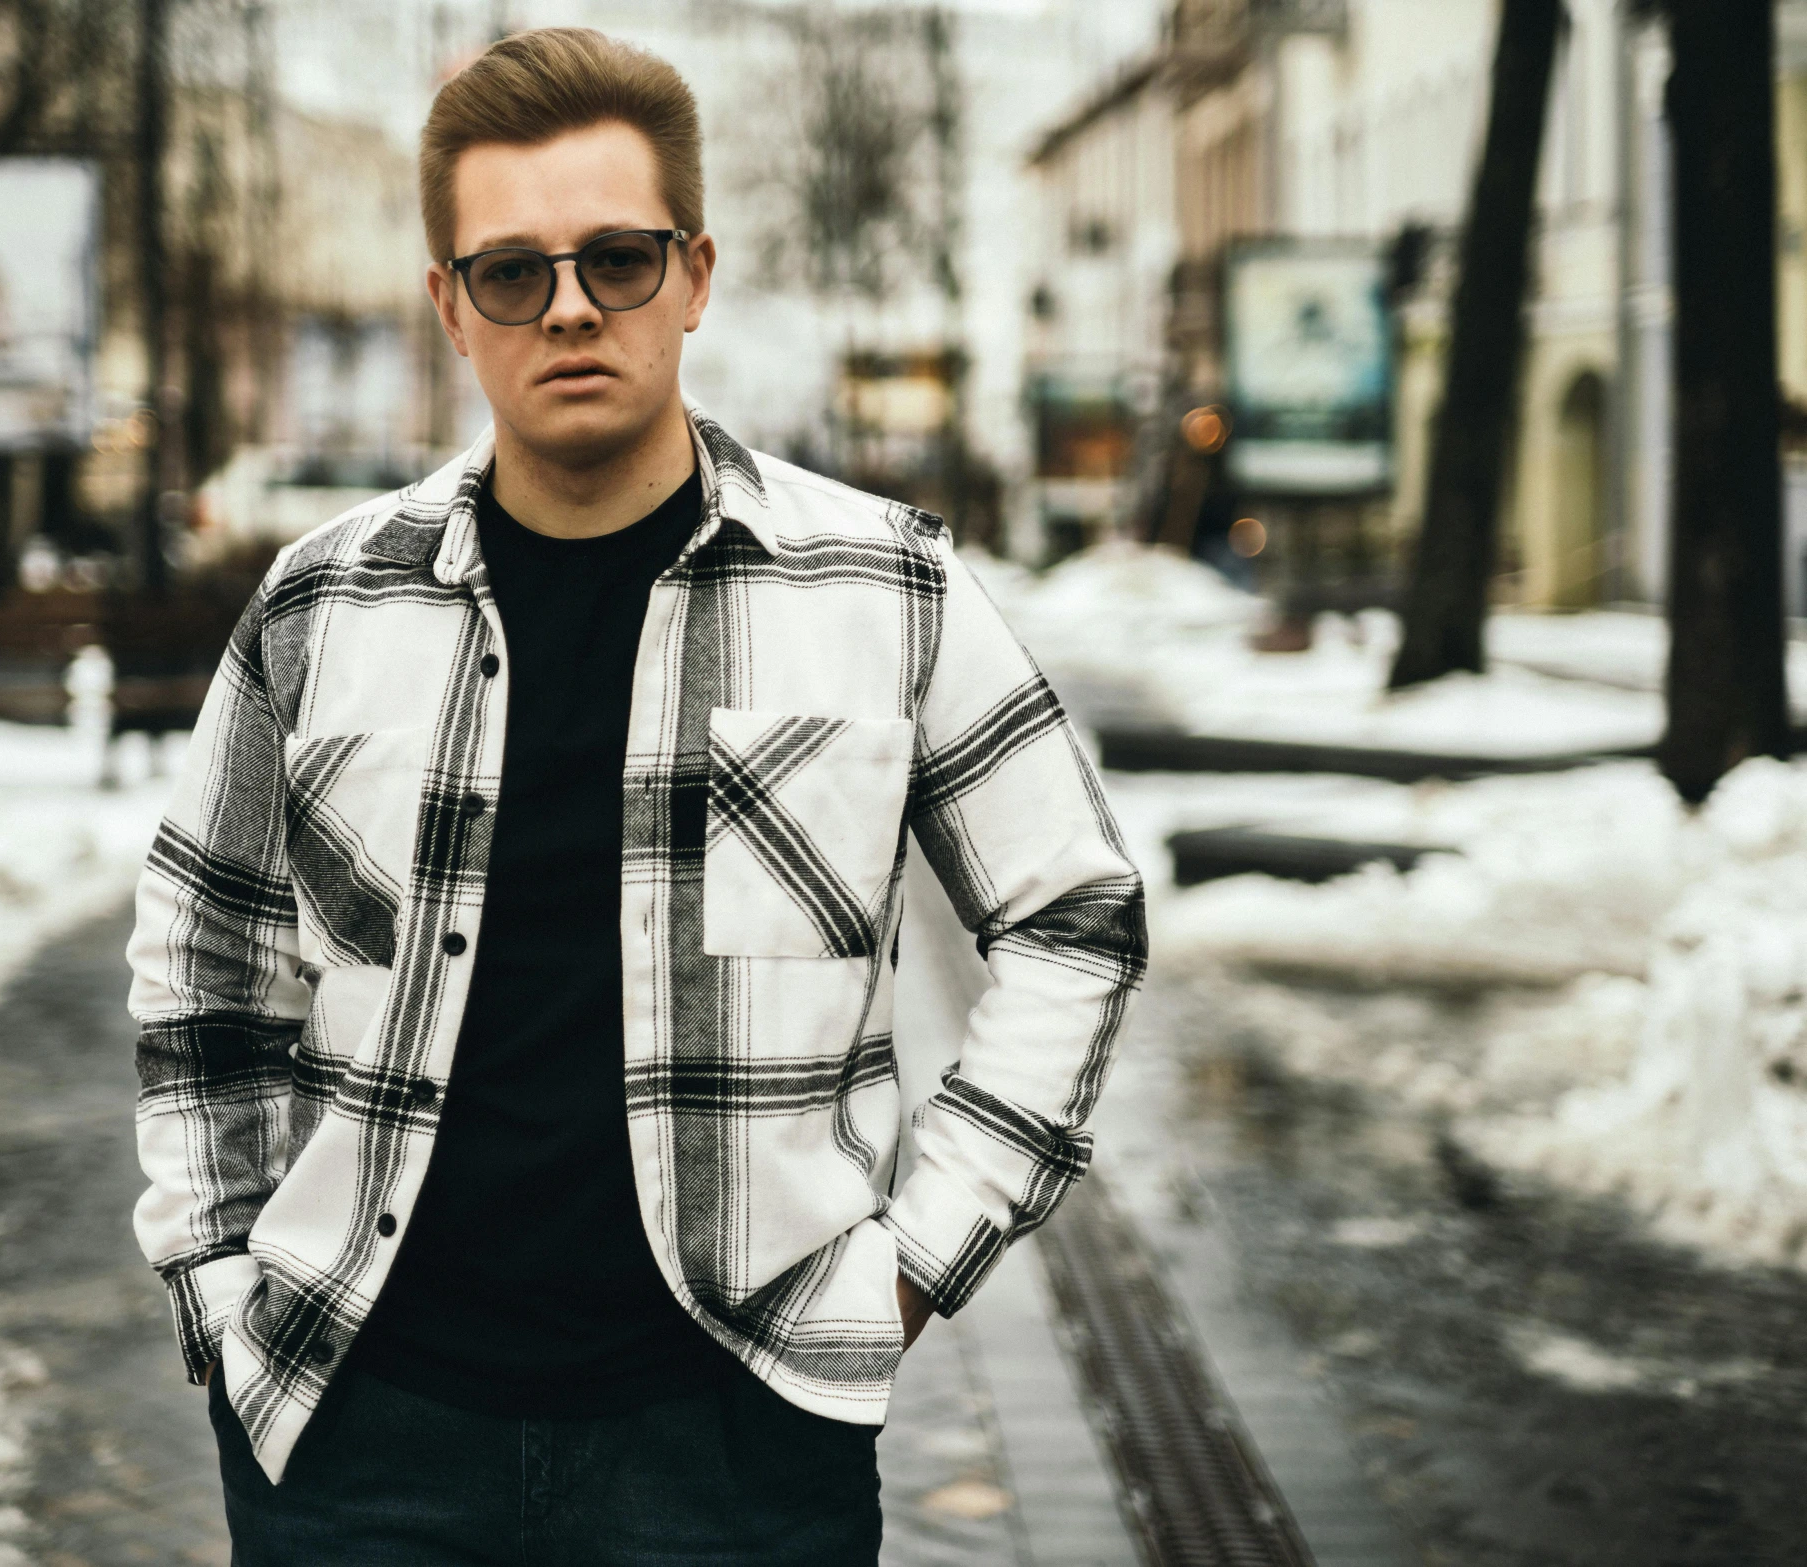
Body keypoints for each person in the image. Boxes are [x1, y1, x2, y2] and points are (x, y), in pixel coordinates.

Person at [127, 26, 1145, 1565]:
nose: (570, 308)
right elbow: (203, 960)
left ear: (694, 273)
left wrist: (916, 1260)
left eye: (615, 257)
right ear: (449, 308)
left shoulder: (882, 587)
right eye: (511, 273)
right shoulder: (323, 604)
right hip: (362, 1445)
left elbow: (1071, 915)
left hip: (735, 1450)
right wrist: (219, 1275)